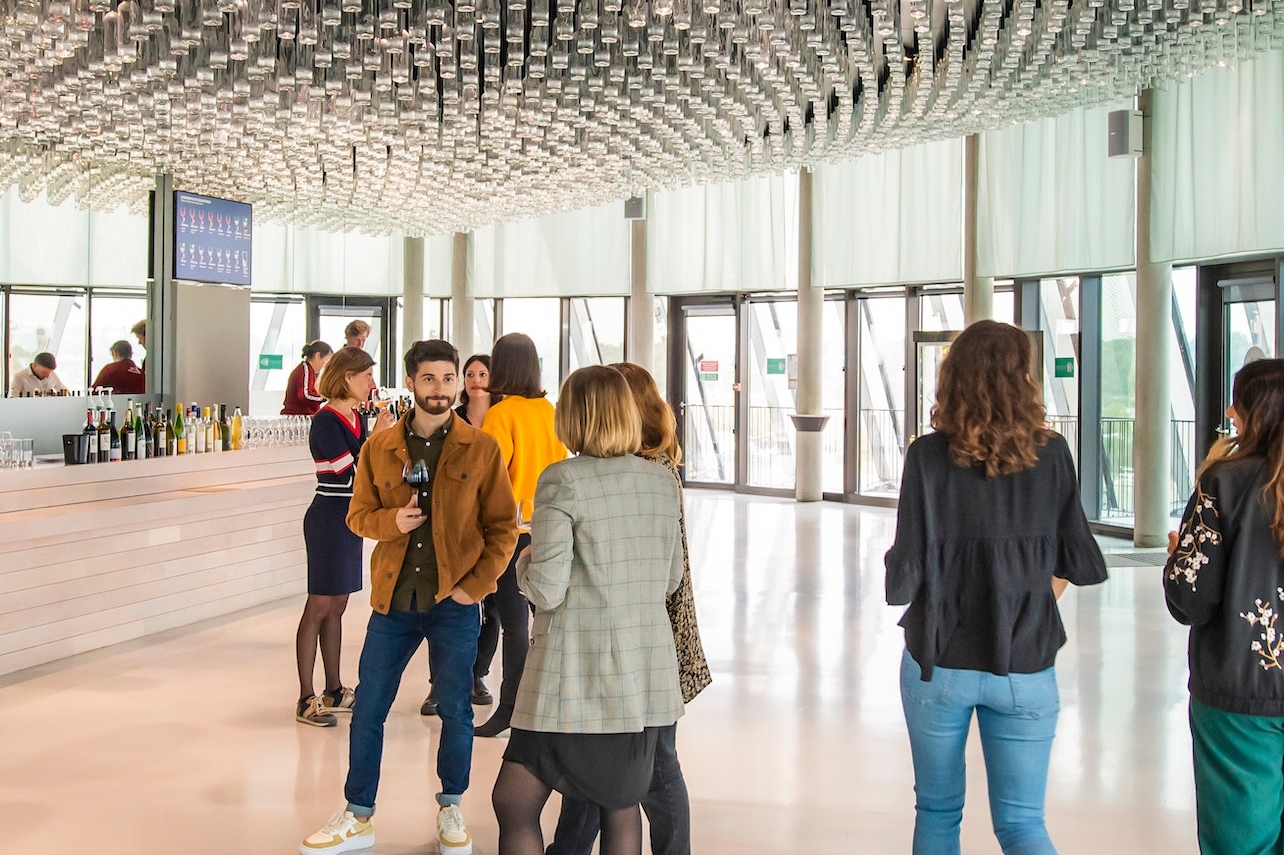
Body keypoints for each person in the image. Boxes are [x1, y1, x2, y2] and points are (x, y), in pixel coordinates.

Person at [884, 320, 1107, 855]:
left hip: (938, 659)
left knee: (937, 812)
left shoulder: (926, 456)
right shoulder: (1052, 454)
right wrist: (1024, 597)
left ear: (951, 377)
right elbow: (1073, 560)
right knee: (1024, 823)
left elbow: (904, 574)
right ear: (1024, 378)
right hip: (1026, 661)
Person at [300, 339, 518, 855]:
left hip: (453, 602)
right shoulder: (380, 448)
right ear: (412, 383)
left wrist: (474, 589)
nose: (440, 390)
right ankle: (358, 814)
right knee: (371, 706)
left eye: (448, 379)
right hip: (392, 602)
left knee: (456, 712)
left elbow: (503, 529)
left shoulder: (480, 448)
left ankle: (451, 807)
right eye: (429, 379)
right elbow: (356, 516)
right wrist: (390, 523)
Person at [491, 365, 685, 855]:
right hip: (641, 680)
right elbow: (671, 579)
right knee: (620, 806)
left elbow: (548, 590)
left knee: (513, 802)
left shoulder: (562, 480)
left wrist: (525, 562)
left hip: (571, 681)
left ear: (573, 417)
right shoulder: (662, 481)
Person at [546, 362, 711, 855]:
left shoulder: (643, 473)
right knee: (606, 766)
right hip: (649, 634)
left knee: (655, 769)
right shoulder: (650, 469)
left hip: (645, 639)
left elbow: (661, 573)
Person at [1164, 358, 1284, 855]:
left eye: (1237, 403)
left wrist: (1179, 559)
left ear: (1253, 412)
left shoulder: (1224, 483)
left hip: (1240, 692)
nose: (1230, 412)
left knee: (1241, 843)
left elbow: (1191, 599)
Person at [474, 332, 568, 737]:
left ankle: (510, 710)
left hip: (509, 534)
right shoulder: (550, 410)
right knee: (541, 623)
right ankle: (547, 706)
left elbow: (489, 480)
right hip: (548, 529)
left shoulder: (501, 414)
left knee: (513, 625)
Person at [295, 346, 393, 727]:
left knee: (338, 606)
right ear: (347, 377)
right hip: (328, 517)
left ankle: (334, 687)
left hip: (349, 518)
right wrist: (375, 442)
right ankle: (306, 695)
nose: (370, 384)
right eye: (366, 376)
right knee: (319, 605)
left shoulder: (354, 417)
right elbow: (346, 474)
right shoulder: (326, 421)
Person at [421, 353, 499, 716]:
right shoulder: (453, 420)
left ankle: (476, 673)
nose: (475, 379)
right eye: (469, 374)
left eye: (482, 373)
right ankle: (439, 683)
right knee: (443, 604)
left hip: (492, 522)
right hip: (455, 527)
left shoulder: (501, 417)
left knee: (490, 609)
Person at [282, 341, 333, 416]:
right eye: (327, 360)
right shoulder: (305, 370)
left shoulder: (309, 371)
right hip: (297, 417)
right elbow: (305, 395)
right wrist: (325, 397)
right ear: (318, 356)